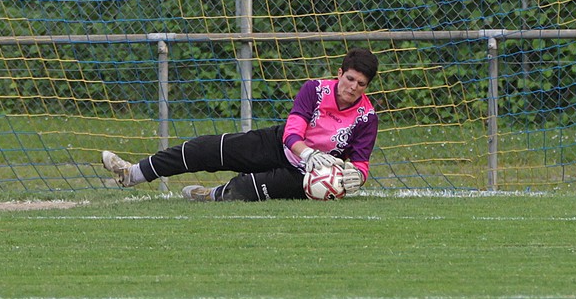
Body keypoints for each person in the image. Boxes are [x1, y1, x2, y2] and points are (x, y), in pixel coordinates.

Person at [102, 48, 379, 202]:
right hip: (278, 144)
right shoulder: (314, 89)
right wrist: (308, 153)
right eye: (350, 79)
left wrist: (358, 178)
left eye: (361, 84)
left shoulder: (367, 117)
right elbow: (293, 131)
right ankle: (132, 174)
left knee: (242, 190)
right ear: (339, 73)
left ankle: (210, 195)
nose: (353, 88)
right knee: (205, 149)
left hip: (304, 177)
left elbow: (361, 162)